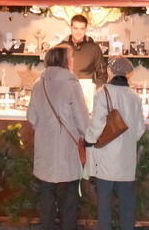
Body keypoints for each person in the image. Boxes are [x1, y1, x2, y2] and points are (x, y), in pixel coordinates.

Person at [28, 46, 89, 230]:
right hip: (67, 152)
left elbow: (31, 117)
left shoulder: (39, 84)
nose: (73, 61)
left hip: (45, 150)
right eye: (71, 58)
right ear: (65, 61)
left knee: (46, 200)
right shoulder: (72, 85)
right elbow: (83, 121)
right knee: (69, 202)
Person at [85, 57, 145, 230]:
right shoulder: (135, 97)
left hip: (105, 156)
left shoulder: (102, 93)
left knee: (104, 204)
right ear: (128, 74)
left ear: (110, 72)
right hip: (126, 159)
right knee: (127, 204)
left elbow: (97, 125)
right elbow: (140, 129)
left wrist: (89, 141)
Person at [58, 14, 107, 85]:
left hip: (88, 91)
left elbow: (102, 74)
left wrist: (95, 91)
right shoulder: (60, 48)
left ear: (86, 29)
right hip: (66, 89)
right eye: (75, 28)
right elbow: (54, 73)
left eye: (82, 29)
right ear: (71, 28)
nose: (78, 32)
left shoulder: (94, 48)